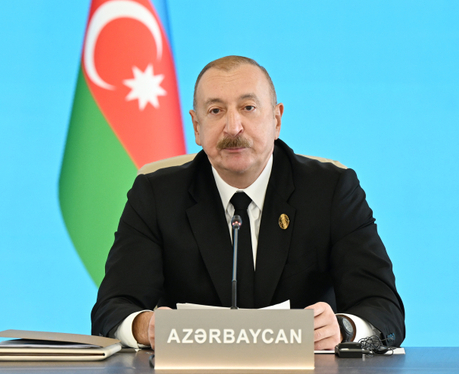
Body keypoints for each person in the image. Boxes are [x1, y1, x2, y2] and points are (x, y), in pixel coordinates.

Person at [91, 56, 404, 350]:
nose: (233, 127)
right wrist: (144, 327)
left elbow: (384, 308)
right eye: (216, 111)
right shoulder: (156, 195)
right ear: (197, 127)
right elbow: (112, 309)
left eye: (248, 107)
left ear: (276, 119)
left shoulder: (331, 190)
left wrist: (344, 329)